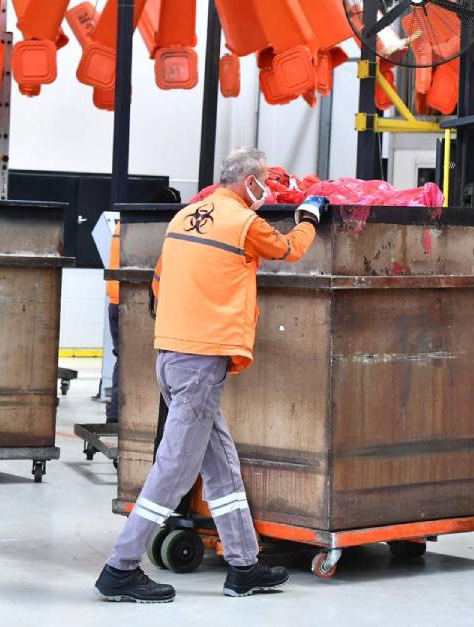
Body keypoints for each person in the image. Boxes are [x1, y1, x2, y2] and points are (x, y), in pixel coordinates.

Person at [95, 148, 329, 602]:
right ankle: (119, 567)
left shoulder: (185, 217)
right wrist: (308, 217)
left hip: (172, 355)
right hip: (201, 363)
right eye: (264, 182)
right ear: (248, 183)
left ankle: (244, 566)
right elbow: (288, 249)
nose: (267, 190)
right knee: (173, 472)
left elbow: (159, 282)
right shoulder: (242, 222)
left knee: (222, 469)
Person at [104, 186, 181, 424]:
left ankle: (116, 416)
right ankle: (140, 414)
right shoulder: (161, 229)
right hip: (140, 301)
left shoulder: (124, 224)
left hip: (116, 301)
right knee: (147, 360)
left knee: (124, 357)